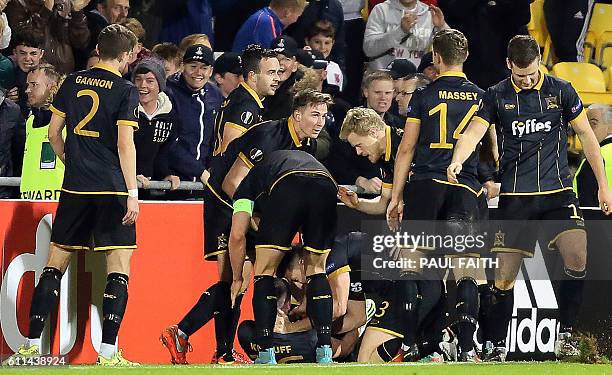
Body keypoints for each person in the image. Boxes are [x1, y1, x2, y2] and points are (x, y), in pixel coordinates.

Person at [447, 35, 612, 361]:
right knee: (503, 278)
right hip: (517, 198)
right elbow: (474, 132)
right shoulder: (495, 95)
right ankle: (496, 343)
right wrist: (458, 158)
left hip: (558, 192)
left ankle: (565, 335)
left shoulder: (561, 90)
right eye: (521, 75)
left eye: (532, 72)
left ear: (539, 61)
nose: (527, 79)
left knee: (577, 254)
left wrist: (604, 186)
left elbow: (587, 137)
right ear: (509, 65)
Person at [160, 89, 332, 365]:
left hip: (252, 207)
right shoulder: (269, 136)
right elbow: (232, 183)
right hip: (225, 204)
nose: (321, 122)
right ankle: (206, 344)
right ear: (297, 115)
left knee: (241, 283)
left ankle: (204, 343)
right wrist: (257, 222)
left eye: (324, 115)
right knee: (231, 279)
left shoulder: (305, 144)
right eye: (315, 115)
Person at [2, 24, 140, 366]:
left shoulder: (73, 81)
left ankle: (31, 346)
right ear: (123, 56)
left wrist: (73, 162)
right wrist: (133, 191)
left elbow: (52, 133)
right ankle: (108, 353)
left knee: (54, 264)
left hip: (75, 187)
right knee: (118, 267)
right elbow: (125, 143)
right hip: (112, 188)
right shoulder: (124, 90)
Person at [386, 29, 486, 362]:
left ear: (436, 58)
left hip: (427, 185)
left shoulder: (425, 96)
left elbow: (407, 148)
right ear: (466, 56)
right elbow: (493, 150)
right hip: (464, 187)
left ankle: (414, 343)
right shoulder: (483, 97)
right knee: (466, 268)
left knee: (414, 266)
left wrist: (396, 197)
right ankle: (468, 344)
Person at [228, 150, 338, 364]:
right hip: (327, 183)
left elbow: (237, 235)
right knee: (317, 270)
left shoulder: (244, 188)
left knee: (264, 272)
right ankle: (325, 352)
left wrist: (236, 278)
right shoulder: (274, 167)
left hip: (288, 183)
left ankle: (266, 353)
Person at [167, 44, 222, 186]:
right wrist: (200, 172)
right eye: (193, 66)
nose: (198, 72)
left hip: (204, 183)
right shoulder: (169, 92)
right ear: (182, 66)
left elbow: (215, 139)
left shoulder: (215, 95)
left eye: (204, 68)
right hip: (174, 183)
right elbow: (170, 143)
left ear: (211, 71)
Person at [213, 45, 280, 155]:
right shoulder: (244, 106)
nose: (277, 78)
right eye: (271, 72)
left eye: (278, 72)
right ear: (252, 76)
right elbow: (229, 153)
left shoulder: (244, 97)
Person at [132, 58, 180, 197]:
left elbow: (163, 152)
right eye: (138, 79)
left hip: (148, 189)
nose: (142, 85)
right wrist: (131, 176)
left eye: (150, 81)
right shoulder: (124, 111)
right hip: (121, 188)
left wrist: (166, 174)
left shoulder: (169, 116)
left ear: (160, 85)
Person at [5, 0, 91, 74]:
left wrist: (77, 13)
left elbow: (81, 42)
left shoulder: (65, 4)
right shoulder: (20, 4)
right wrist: (46, 10)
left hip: (64, 73)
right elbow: (26, 39)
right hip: (32, 75)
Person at [20, 64, 65, 200]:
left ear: (51, 87)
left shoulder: (67, 121)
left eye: (34, 85)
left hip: (57, 202)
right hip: (29, 201)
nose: (28, 90)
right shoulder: (29, 121)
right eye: (27, 85)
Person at [363, 0, 448, 70]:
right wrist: (400, 30)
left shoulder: (429, 13)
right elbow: (369, 49)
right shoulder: (381, 10)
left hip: (417, 80)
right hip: (384, 81)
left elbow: (455, 51)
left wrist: (442, 26)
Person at [232, 0, 307, 53]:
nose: (296, 20)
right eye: (298, 16)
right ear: (287, 13)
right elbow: (271, 56)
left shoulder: (268, 19)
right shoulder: (266, 21)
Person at [574, 104, 612, 206]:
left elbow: (587, 207)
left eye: (593, 123)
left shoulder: (595, 159)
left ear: (610, 127)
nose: (587, 130)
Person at [264, 35, 303, 121]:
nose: (280, 63)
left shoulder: (300, 96)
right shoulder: (256, 87)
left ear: (295, 66)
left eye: (286, 59)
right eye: (275, 58)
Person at [8, 30, 45, 117]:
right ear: (15, 53)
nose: (28, 58)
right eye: (22, 53)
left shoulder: (51, 78)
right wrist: (5, 101)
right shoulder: (6, 76)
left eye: (33, 54)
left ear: (41, 54)